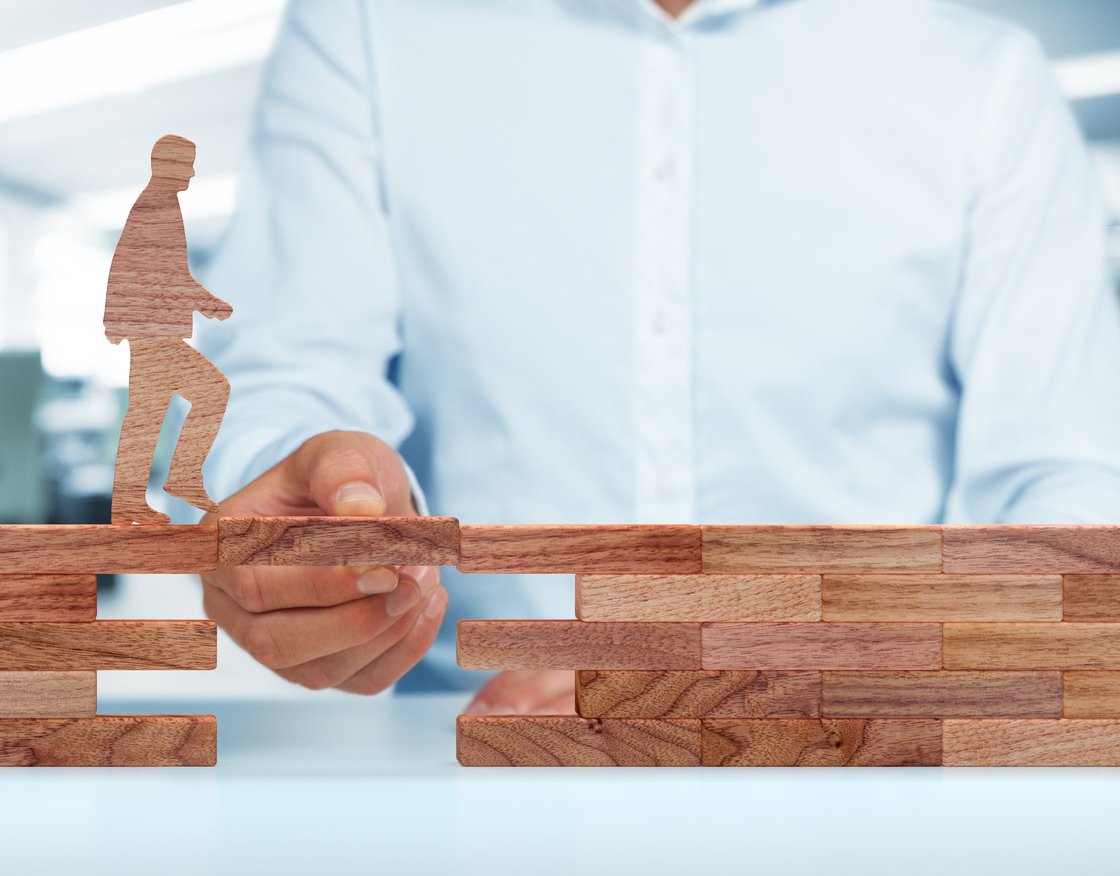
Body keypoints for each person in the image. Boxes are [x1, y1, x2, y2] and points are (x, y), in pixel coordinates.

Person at [192, 0, 1120, 711]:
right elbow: (294, 366)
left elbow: (1068, 492)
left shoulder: (981, 75)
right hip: (470, 756)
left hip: (869, 750)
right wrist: (317, 509)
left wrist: (824, 654)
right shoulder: (369, 29)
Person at [107, 135, 235, 525]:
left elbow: (157, 273)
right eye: (187, 164)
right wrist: (206, 301)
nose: (193, 173)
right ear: (166, 165)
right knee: (211, 392)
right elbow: (158, 275)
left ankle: (139, 495)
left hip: (150, 331)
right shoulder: (156, 208)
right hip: (153, 334)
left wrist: (203, 301)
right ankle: (175, 478)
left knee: (147, 414)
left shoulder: (159, 205)